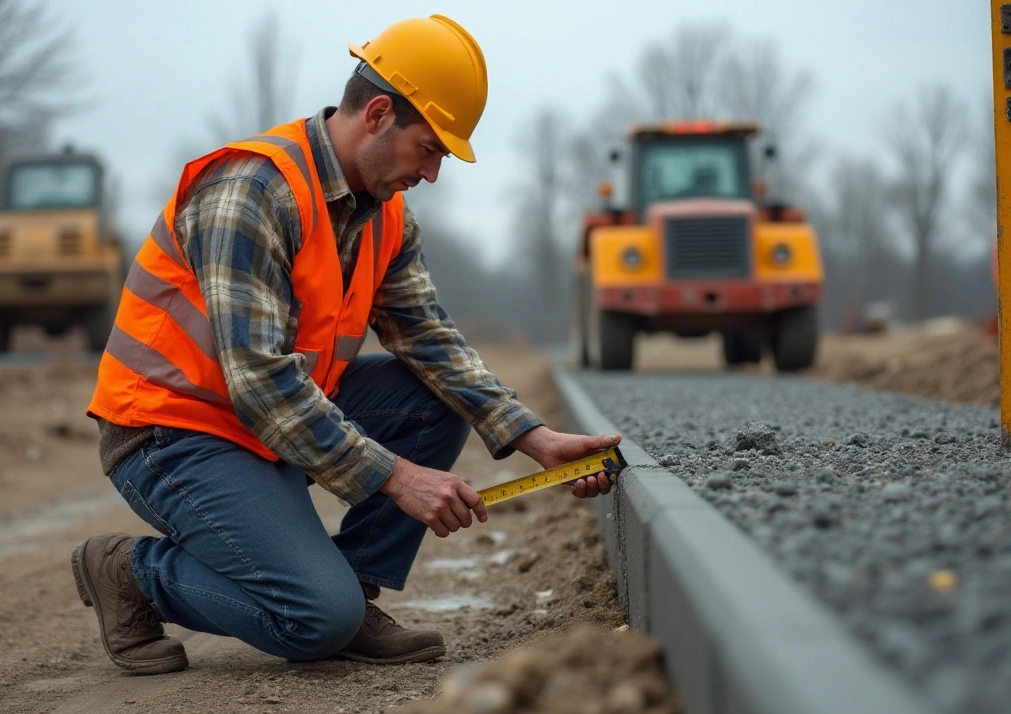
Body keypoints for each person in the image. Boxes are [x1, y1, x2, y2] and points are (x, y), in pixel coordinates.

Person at [69, 15, 620, 675]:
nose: (434, 172)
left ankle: (352, 594)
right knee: (312, 620)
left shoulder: (384, 213)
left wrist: (536, 439)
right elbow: (261, 383)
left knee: (433, 398)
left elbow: (430, 341)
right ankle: (132, 573)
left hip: (262, 428)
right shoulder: (251, 191)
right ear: (378, 114)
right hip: (173, 433)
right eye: (430, 149)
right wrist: (397, 477)